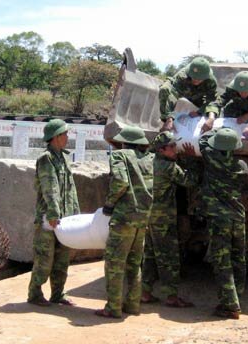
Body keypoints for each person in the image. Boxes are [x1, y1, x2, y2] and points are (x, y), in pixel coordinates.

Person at [96, 125, 153, 318]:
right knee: (135, 264)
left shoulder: (120, 156)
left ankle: (113, 308)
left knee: (114, 262)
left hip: (124, 218)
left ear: (125, 142)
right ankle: (132, 306)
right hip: (142, 219)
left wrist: (110, 204)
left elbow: (120, 181)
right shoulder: (149, 159)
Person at [141, 131, 198, 308]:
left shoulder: (148, 161)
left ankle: (145, 292)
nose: (176, 150)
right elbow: (190, 181)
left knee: (150, 255)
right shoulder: (169, 167)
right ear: (161, 150)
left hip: (148, 217)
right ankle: (172, 296)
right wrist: (190, 160)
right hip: (163, 219)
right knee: (169, 257)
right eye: (172, 147)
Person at [27, 119, 80, 307]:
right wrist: (53, 213)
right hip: (49, 217)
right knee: (45, 257)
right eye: (64, 134)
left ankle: (58, 294)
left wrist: (75, 213)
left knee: (62, 258)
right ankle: (34, 293)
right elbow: (51, 188)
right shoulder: (46, 158)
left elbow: (70, 188)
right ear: (56, 137)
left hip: (64, 218)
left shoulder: (63, 157)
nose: (67, 137)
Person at [198, 128, 248, 319]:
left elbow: (203, 141)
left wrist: (215, 129)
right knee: (238, 259)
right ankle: (237, 297)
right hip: (237, 216)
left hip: (219, 219)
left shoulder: (212, 160)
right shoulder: (242, 166)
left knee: (222, 262)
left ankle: (230, 306)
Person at [159, 57, 218, 133]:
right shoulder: (182, 76)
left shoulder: (211, 81)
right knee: (165, 88)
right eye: (193, 77)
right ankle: (166, 124)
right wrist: (169, 118)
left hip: (198, 98)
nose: (195, 80)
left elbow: (212, 100)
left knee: (213, 111)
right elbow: (173, 95)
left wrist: (206, 115)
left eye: (199, 79)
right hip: (182, 92)